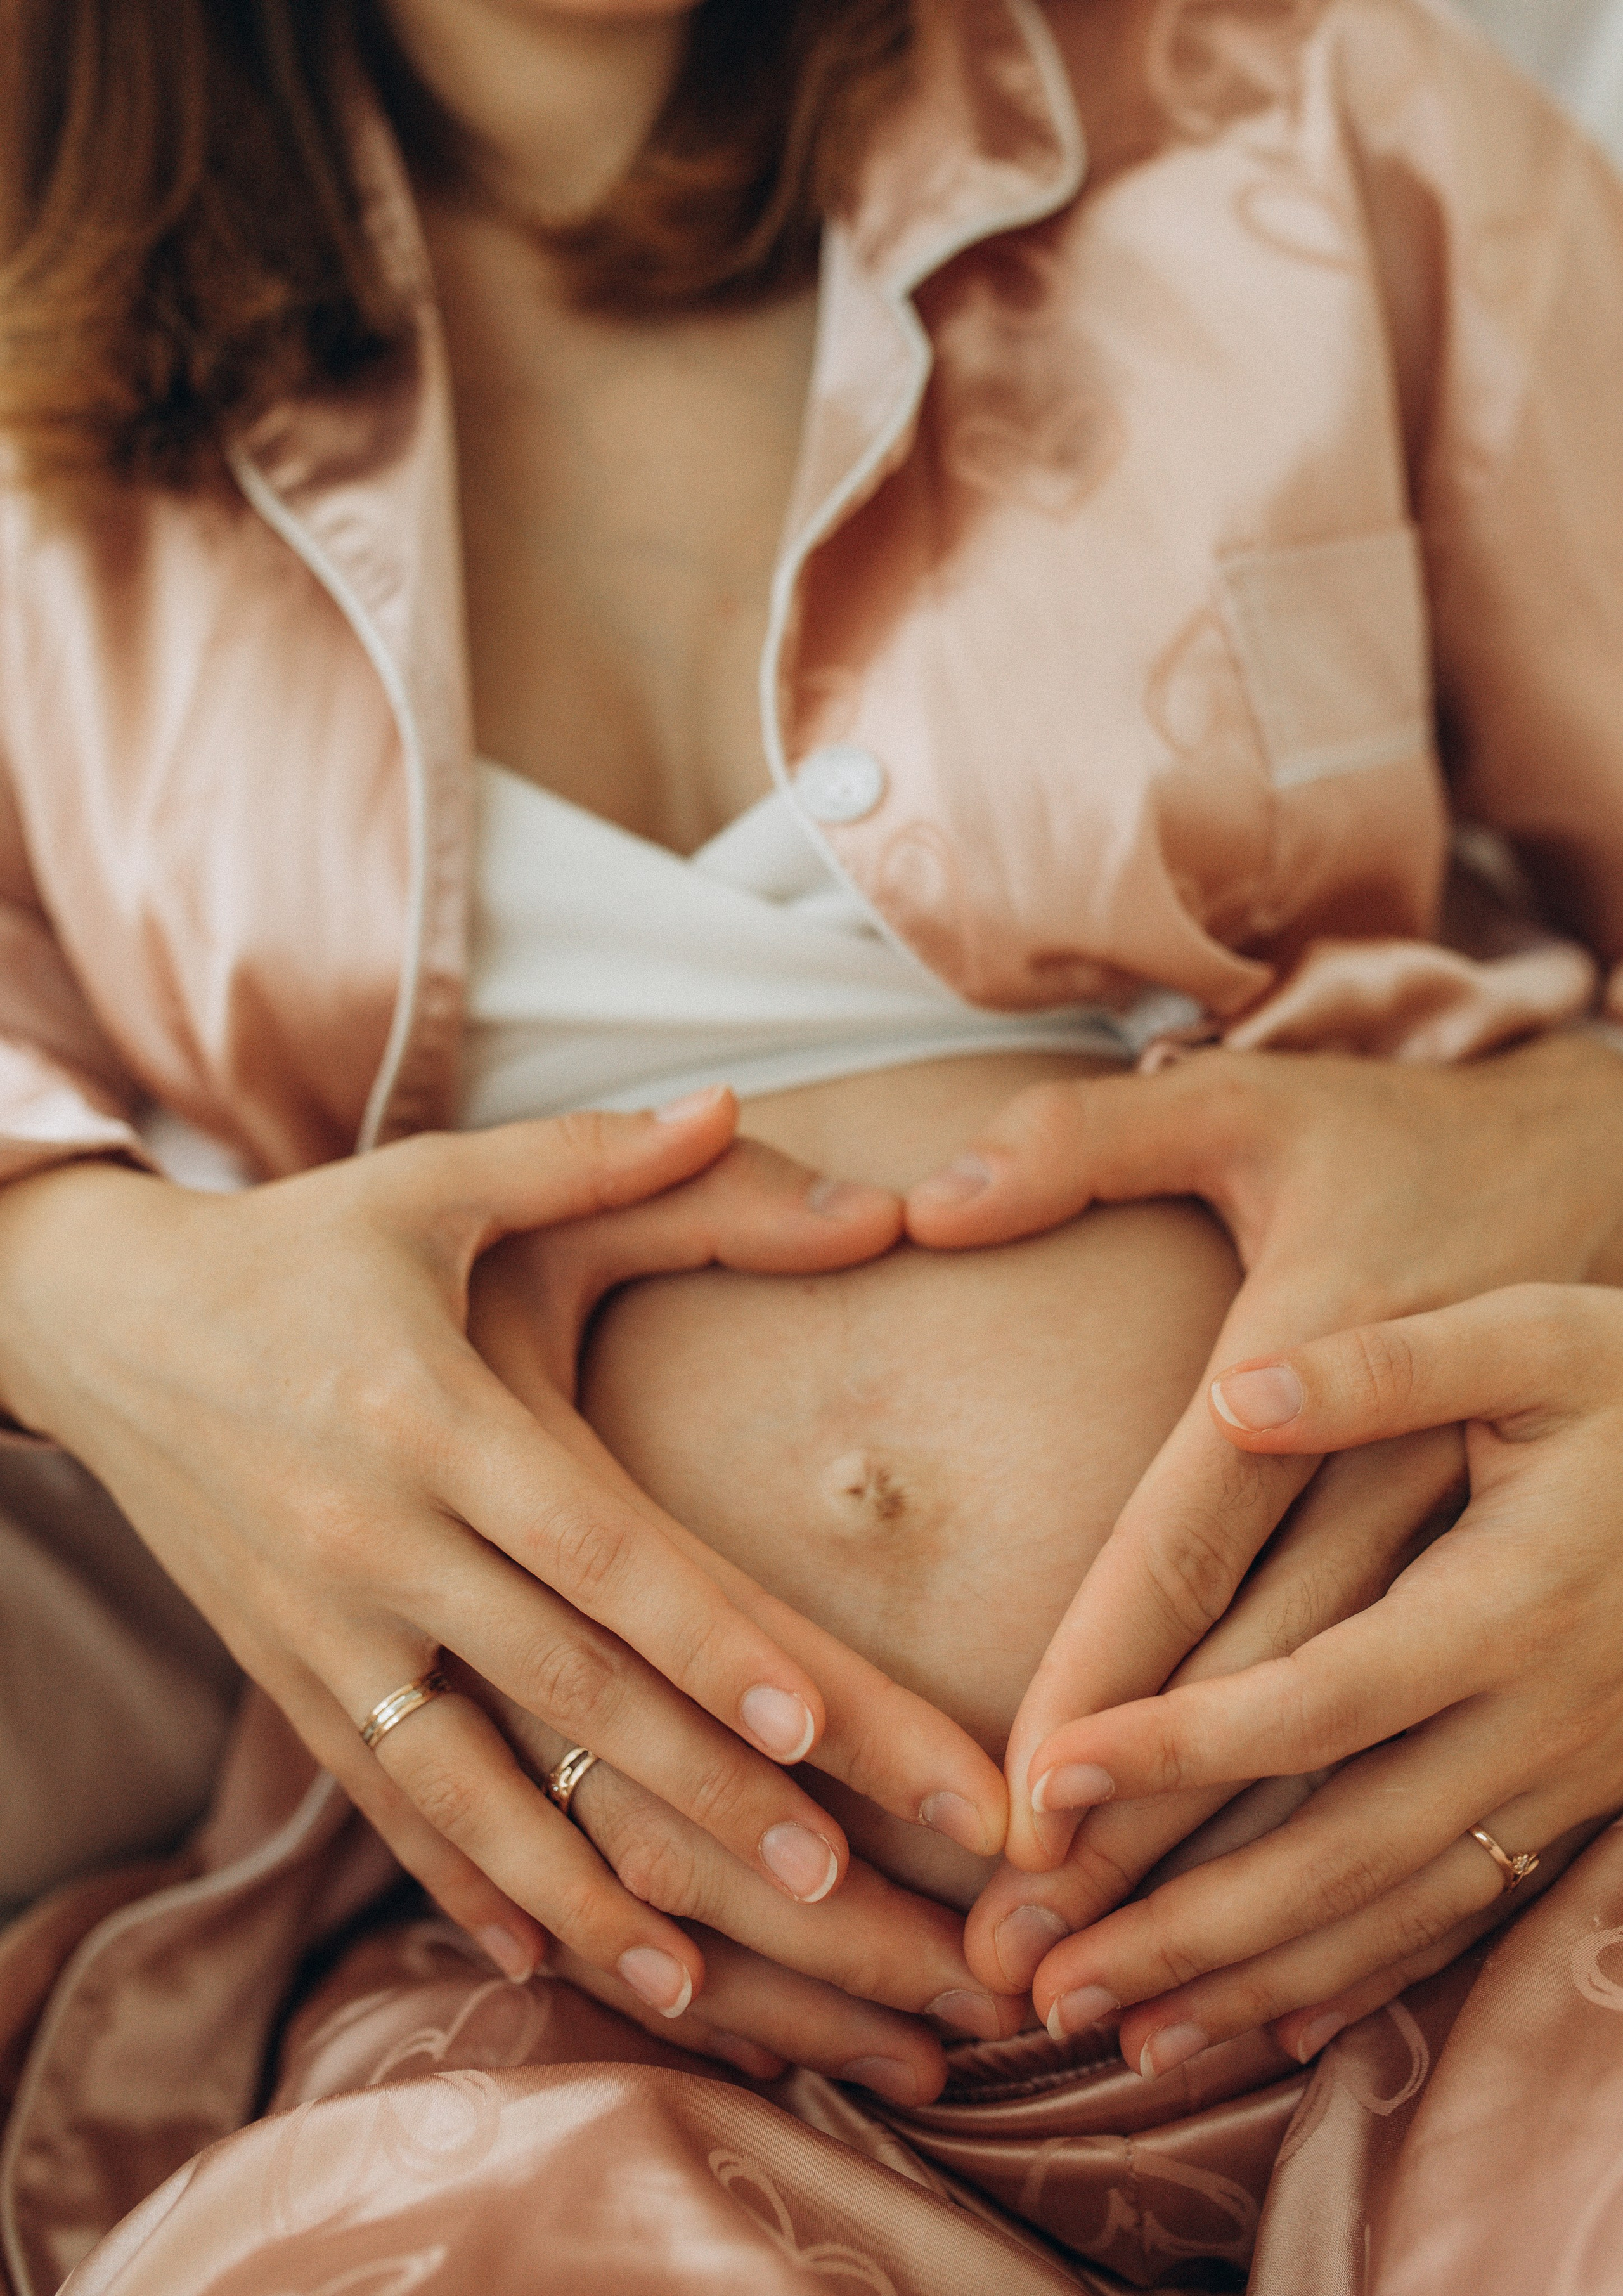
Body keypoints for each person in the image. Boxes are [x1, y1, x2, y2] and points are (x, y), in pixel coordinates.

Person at [2, 1, 1623, 2290]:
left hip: (1530, 1832)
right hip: (609, 2014)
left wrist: (1595, 1123)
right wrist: (66, 1284)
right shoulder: (29, 343)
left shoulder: (1319, 109)